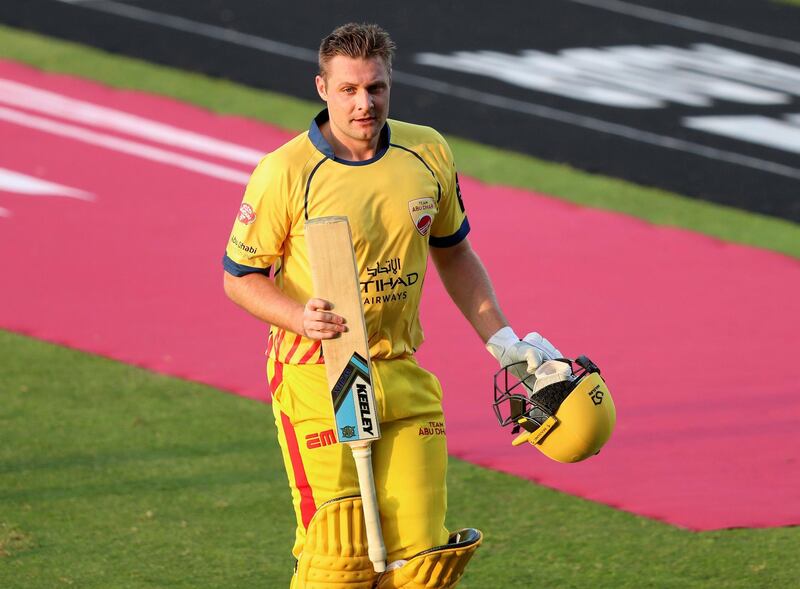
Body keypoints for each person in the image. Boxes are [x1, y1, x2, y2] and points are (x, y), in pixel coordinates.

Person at [222, 22, 560, 589]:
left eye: (376, 88)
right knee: (340, 561)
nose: (364, 103)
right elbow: (241, 278)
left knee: (424, 563)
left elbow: (454, 254)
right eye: (349, 89)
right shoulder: (285, 172)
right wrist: (298, 317)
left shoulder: (426, 151)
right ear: (322, 88)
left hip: (400, 368)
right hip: (317, 374)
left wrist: (505, 342)